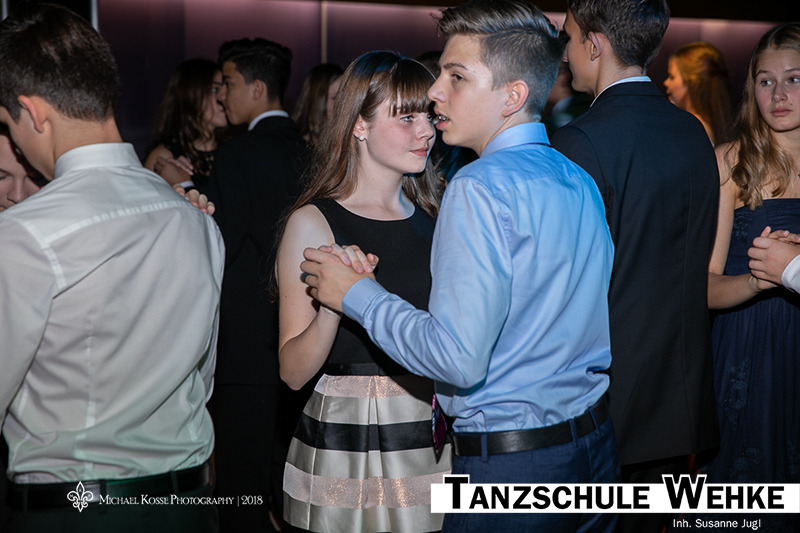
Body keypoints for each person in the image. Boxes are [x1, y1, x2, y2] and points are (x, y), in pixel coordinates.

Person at [301, 1, 618, 531]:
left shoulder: (478, 186)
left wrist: (357, 293)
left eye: (457, 77)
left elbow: (457, 360)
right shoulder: (576, 177)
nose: (435, 91)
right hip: (594, 450)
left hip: (512, 469)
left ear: (512, 96)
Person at [0, 4, 224, 533]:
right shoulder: (194, 219)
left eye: (8, 125)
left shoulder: (25, 233)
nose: (18, 147)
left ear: (33, 112)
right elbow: (201, 381)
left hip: (77, 511)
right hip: (189, 508)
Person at [550, 1, 720, 532]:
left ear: (595, 44)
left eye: (569, 38)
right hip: (680, 394)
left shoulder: (579, 141)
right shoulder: (691, 130)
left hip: (608, 401)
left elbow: (564, 286)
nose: (566, 54)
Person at [278, 50, 449, 533]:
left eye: (429, 116)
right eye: (407, 118)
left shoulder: (439, 218)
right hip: (345, 437)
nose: (426, 131)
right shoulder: (314, 222)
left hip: (430, 429)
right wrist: (337, 303)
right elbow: (292, 372)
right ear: (359, 124)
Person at [205, 37, 308, 532]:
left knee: (240, 490)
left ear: (257, 88)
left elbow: (217, 250)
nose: (221, 95)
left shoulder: (238, 155)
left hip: (245, 350)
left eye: (227, 83)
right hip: (304, 345)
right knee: (290, 485)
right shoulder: (311, 150)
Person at [703, 22, 800, 533]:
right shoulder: (730, 163)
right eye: (766, 81)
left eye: (794, 79)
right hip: (748, 347)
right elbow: (704, 285)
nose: (778, 95)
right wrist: (757, 281)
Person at [144, 58, 229, 193]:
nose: (222, 96)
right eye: (215, 89)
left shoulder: (234, 149)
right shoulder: (164, 157)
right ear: (190, 94)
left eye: (226, 88)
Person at [663, 41, 733, 145]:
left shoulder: (692, 126)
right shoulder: (710, 126)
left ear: (692, 83)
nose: (666, 83)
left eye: (672, 77)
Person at [292, 63, 344, 146]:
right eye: (334, 98)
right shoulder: (298, 146)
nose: (342, 104)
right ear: (316, 101)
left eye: (346, 98)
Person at [542, 58, 592, 135]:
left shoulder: (555, 123)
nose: (543, 82)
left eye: (549, 74)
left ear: (565, 78)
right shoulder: (591, 107)